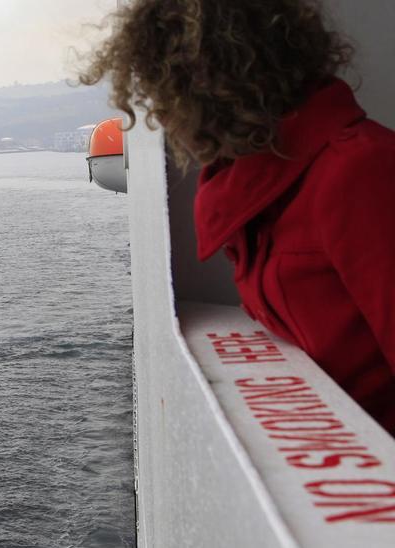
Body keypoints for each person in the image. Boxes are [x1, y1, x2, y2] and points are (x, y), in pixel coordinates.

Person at [81, 0, 395, 434]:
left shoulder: (361, 172)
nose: (166, 118)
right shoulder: (266, 187)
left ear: (215, 85)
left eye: (169, 95)